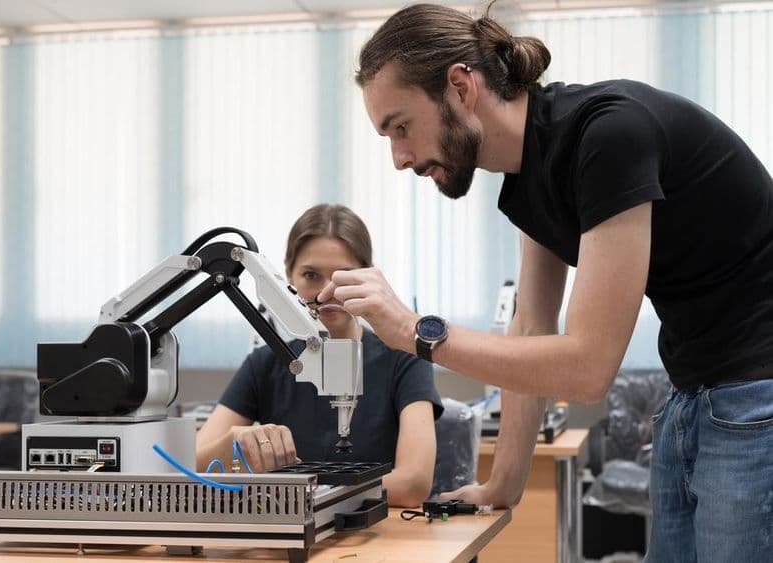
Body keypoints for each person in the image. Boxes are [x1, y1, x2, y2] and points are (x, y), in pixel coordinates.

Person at [316, 3, 773, 560]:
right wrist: (501, 486)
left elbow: (587, 367)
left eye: (401, 127)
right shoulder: (532, 172)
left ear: (460, 87)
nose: (399, 158)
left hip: (756, 396)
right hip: (695, 395)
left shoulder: (608, 136)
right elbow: (531, 327)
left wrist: (417, 332)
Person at [196, 203, 443, 508]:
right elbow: (189, 466)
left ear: (367, 278)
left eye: (343, 277)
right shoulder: (265, 364)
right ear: (287, 275)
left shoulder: (405, 359)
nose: (327, 292)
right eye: (311, 275)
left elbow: (413, 483)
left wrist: (308, 493)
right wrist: (231, 444)